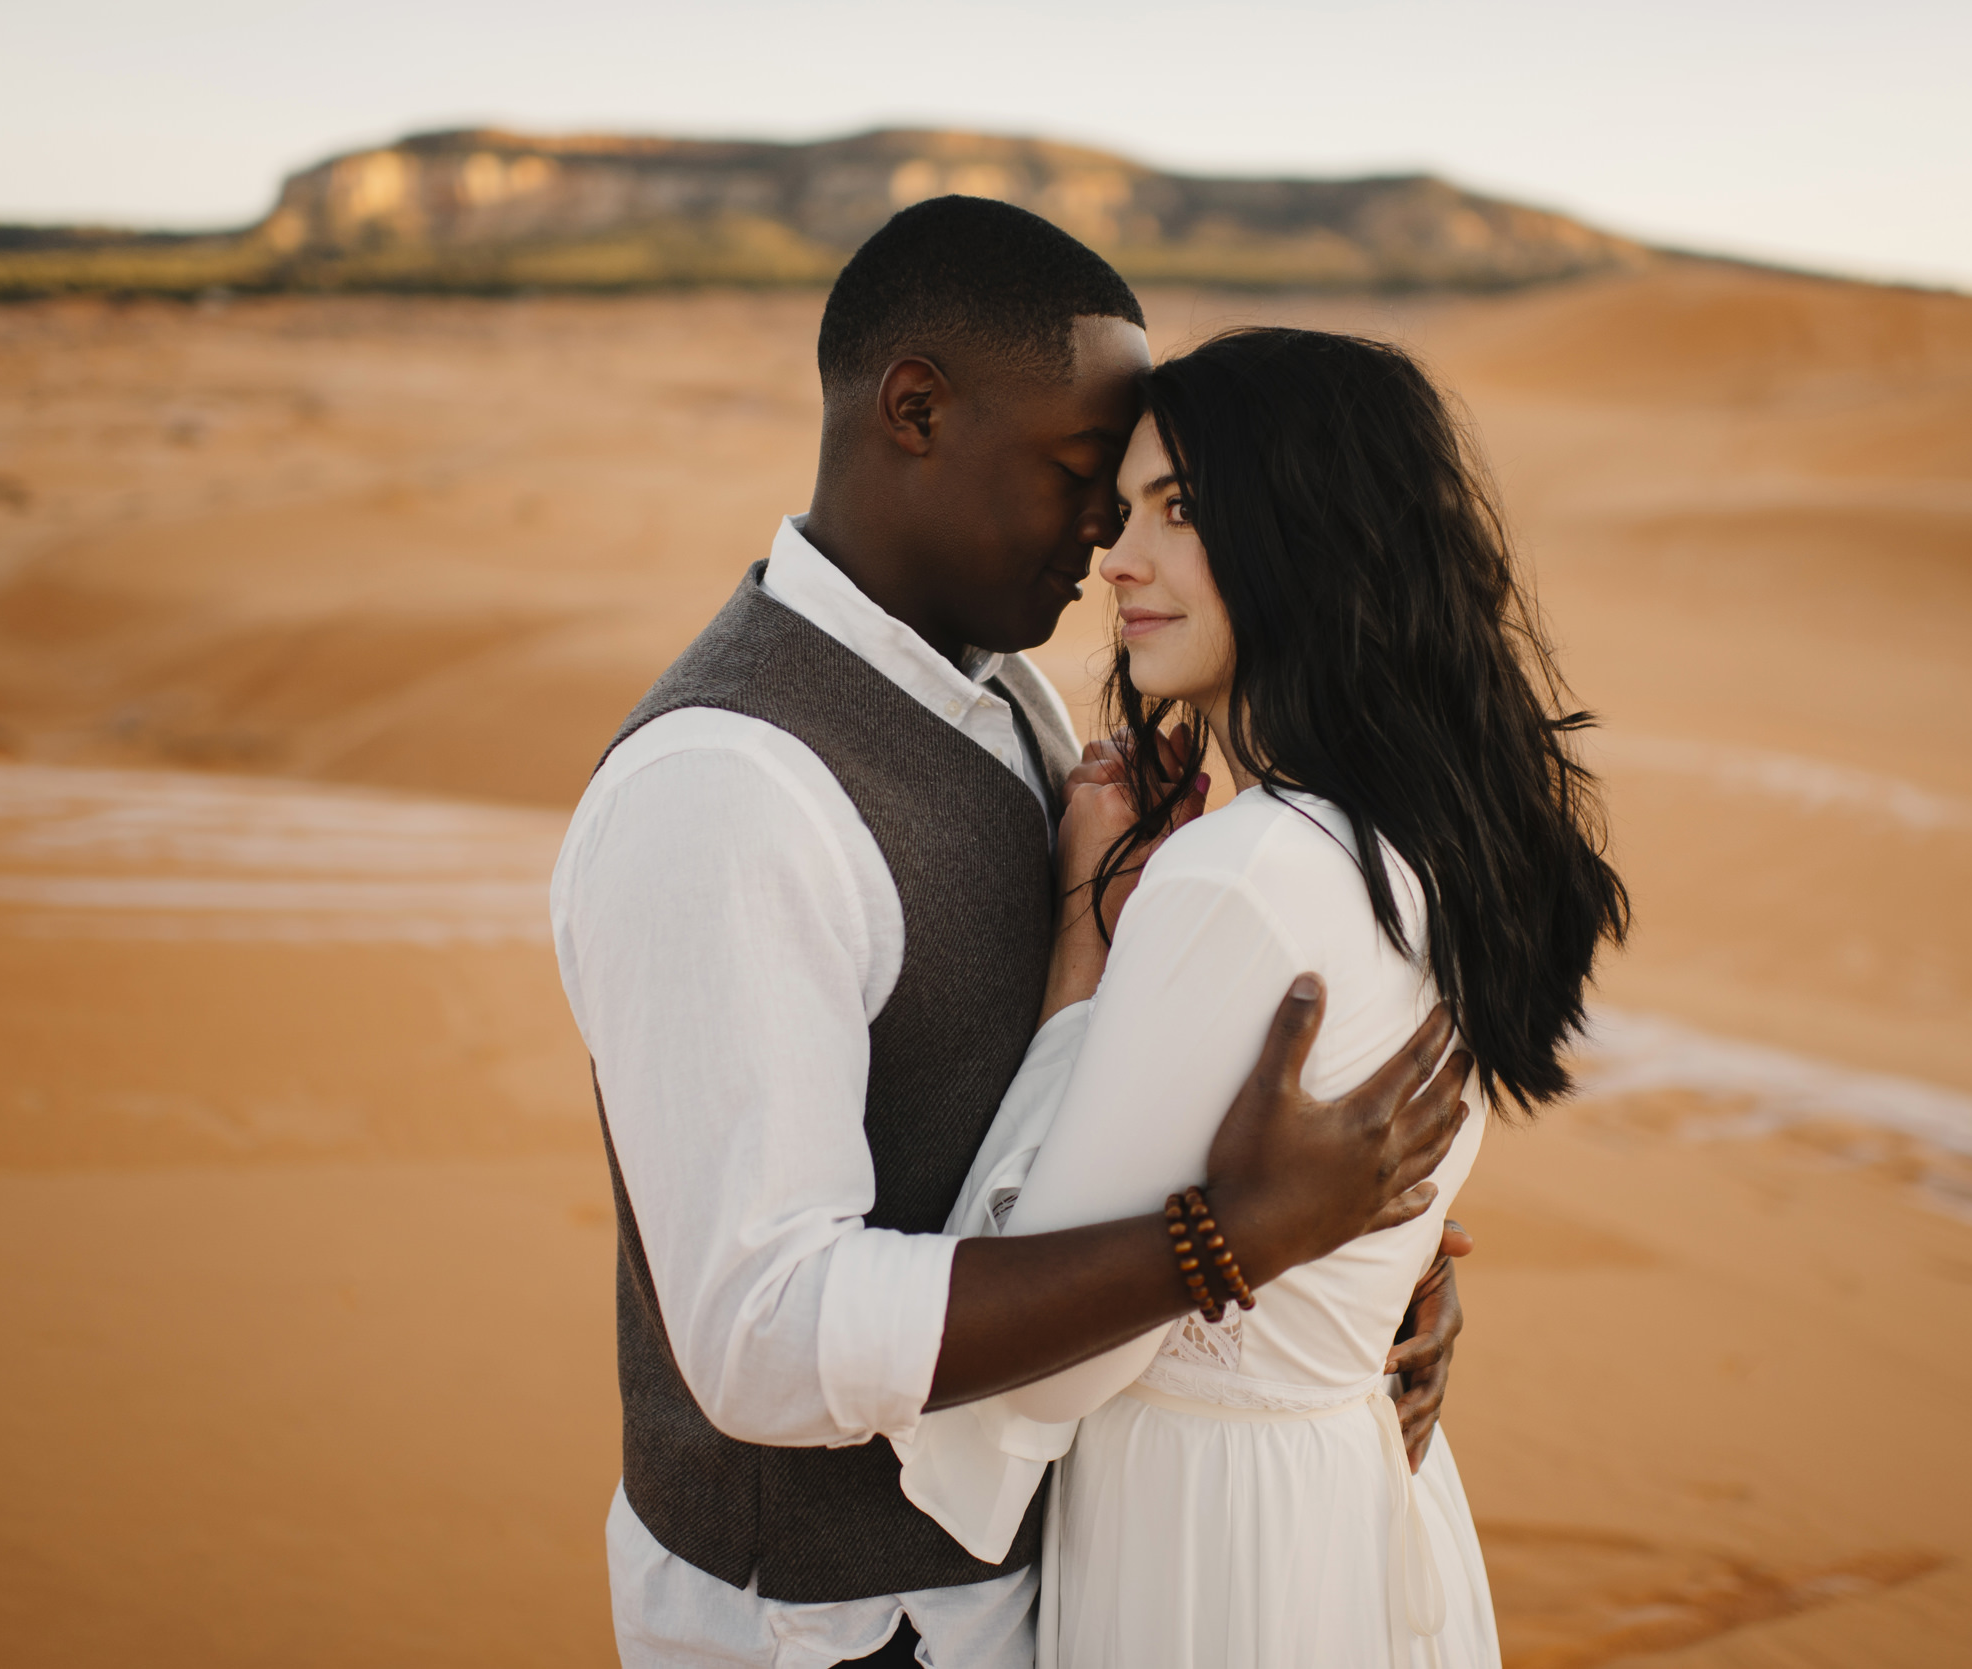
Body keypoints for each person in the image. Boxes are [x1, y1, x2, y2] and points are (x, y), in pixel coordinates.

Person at [549, 198, 1476, 1669]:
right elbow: (765, 1335)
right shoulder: (721, 792)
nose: (1107, 535)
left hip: (1048, 1584)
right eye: (1080, 478)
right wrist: (1227, 1244)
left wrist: (1357, 1281)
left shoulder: (1009, 700)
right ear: (915, 409)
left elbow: (1098, 1102)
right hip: (838, 1627)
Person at [892, 327, 1631, 1667]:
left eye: (1184, 509)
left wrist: (1078, 958)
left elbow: (1042, 1358)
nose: (1119, 560)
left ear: (1314, 528)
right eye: (1124, 513)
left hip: (1207, 1542)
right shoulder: (1437, 847)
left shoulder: (1240, 879)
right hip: (1350, 1494)